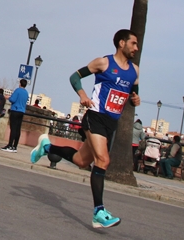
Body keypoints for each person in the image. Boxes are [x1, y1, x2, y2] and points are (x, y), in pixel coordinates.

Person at [30, 29, 141, 230]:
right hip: (95, 117)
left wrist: (135, 99)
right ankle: (99, 211)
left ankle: (47, 148)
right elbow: (75, 77)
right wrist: (82, 94)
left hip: (111, 123)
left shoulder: (135, 70)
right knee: (103, 160)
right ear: (121, 43)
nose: (136, 47)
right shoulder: (103, 63)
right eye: (133, 43)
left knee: (81, 161)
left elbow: (133, 94)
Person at [2, 79, 29, 153]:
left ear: (20, 84)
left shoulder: (18, 90)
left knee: (13, 128)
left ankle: (10, 145)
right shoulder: (26, 93)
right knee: (18, 129)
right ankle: (15, 146)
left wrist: (8, 97)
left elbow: (13, 99)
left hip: (15, 110)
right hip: (22, 111)